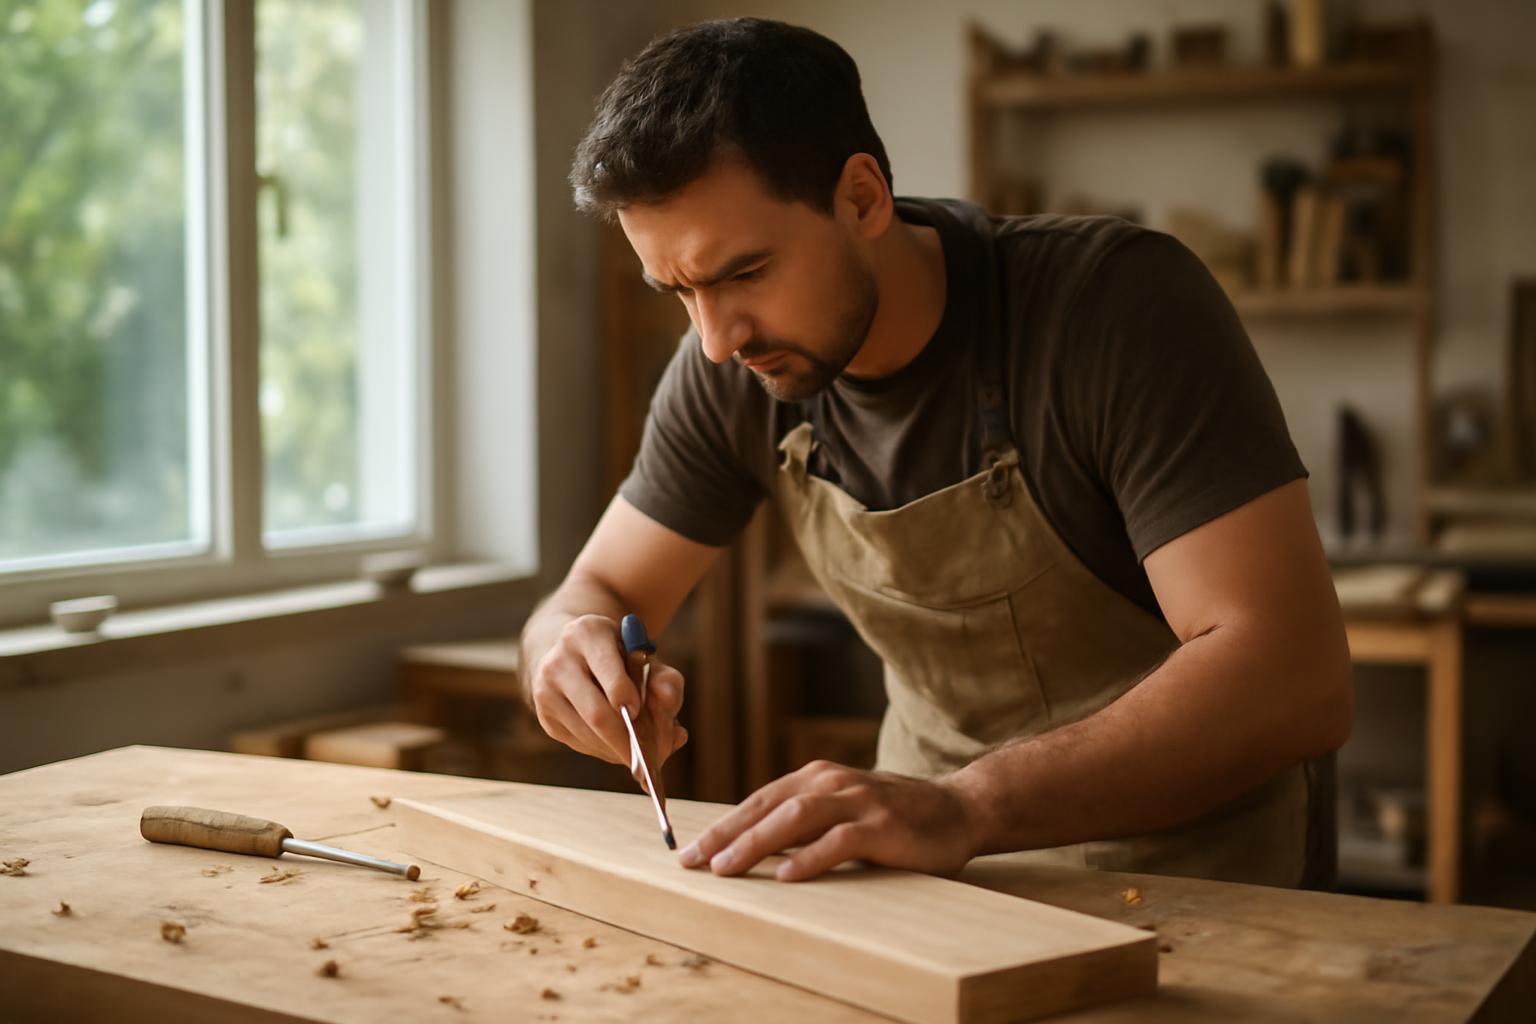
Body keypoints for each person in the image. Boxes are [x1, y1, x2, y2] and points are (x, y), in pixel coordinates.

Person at [519, 17, 1352, 887]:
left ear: (863, 198)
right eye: (679, 291)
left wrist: (969, 805)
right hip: (926, 870)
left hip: (1193, 870)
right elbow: (596, 591)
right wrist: (563, 652)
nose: (717, 340)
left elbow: (1294, 675)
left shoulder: (1114, 309)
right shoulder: (736, 366)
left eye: (742, 273)